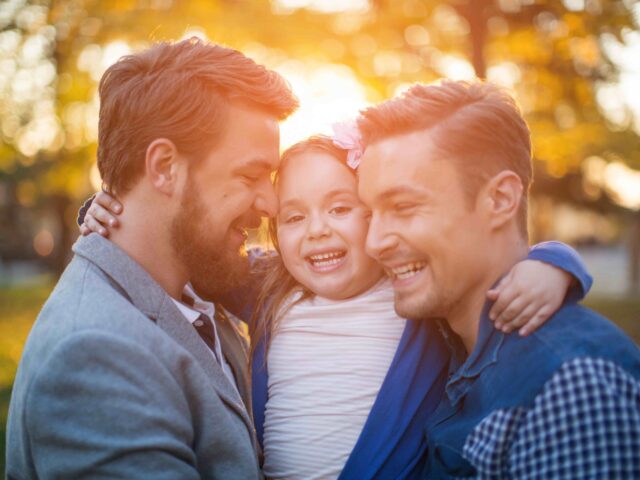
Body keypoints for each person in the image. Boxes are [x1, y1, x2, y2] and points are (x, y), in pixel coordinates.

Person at [82, 134, 592, 479]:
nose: (317, 230)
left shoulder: (413, 289)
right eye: (294, 217)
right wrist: (105, 214)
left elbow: (479, 264)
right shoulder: (267, 285)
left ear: (378, 216)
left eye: (341, 208)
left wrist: (552, 262)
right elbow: (180, 253)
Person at [6, 38, 298, 479]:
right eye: (250, 175)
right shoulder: (95, 356)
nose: (271, 204)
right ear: (163, 167)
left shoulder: (194, 282)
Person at [356, 79, 640, 479]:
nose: (373, 243)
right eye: (369, 214)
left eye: (402, 207)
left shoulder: (571, 385)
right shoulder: (438, 344)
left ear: (500, 200)